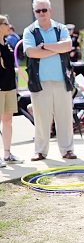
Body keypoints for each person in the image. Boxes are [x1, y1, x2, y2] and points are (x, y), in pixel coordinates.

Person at [22, 0, 77, 161]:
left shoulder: (61, 28)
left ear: (50, 11)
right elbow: (31, 52)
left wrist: (44, 46)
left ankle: (67, 150)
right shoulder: (29, 31)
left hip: (62, 80)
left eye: (44, 10)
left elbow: (67, 47)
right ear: (34, 12)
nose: (41, 13)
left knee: (65, 117)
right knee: (41, 119)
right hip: (40, 82)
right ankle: (40, 151)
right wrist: (57, 48)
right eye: (38, 11)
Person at [0, 15, 24, 167]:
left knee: (8, 121)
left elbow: (11, 67)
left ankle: (7, 155)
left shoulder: (8, 44)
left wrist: (16, 86)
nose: (9, 26)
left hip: (9, 87)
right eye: (6, 23)